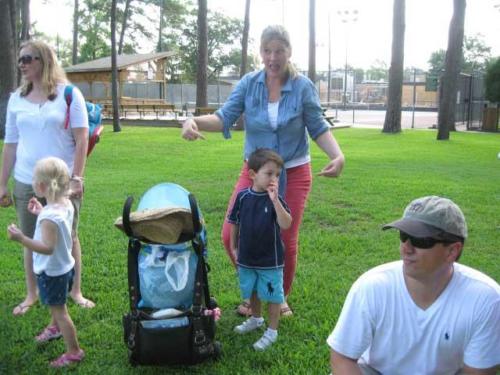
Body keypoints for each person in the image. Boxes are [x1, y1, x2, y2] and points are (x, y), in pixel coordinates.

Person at [182, 25, 345, 317]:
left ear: (289, 52)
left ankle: (278, 298)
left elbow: (318, 126)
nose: (273, 57)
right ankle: (257, 292)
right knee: (231, 234)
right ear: (261, 52)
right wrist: (192, 121)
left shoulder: (303, 86)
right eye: (267, 50)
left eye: (279, 50)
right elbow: (224, 117)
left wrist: (337, 155)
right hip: (255, 173)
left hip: (292, 172)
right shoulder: (249, 84)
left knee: (283, 238)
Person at [327, 196, 500, 375]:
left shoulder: (485, 300)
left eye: (420, 240)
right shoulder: (373, 286)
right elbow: (342, 357)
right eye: (404, 236)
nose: (406, 248)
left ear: (452, 251)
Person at [0, 40, 95, 315]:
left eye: (29, 58)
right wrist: (2, 183)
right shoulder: (17, 98)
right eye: (21, 60)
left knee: (69, 235)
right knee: (29, 235)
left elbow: (81, 138)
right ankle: (32, 294)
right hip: (26, 180)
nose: (23, 64)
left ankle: (75, 290)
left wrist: (77, 178)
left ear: (45, 60)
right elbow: (10, 145)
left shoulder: (68, 94)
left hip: (60, 183)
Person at [7, 157, 85, 368]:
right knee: (56, 303)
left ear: (41, 186)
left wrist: (22, 239)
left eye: (33, 180)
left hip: (53, 272)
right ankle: (54, 328)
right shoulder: (65, 203)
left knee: (60, 310)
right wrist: (41, 212)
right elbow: (57, 225)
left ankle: (74, 351)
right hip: (65, 267)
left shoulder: (50, 218)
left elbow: (48, 248)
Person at [229, 149, 292, 351]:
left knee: (273, 296)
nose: (274, 179)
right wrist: (233, 246)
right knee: (253, 290)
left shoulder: (276, 200)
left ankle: (272, 331)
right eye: (269, 173)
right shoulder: (242, 197)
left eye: (277, 175)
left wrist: (275, 201)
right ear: (253, 174)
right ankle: (256, 319)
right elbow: (234, 223)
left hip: (270, 260)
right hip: (247, 257)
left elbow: (286, 224)